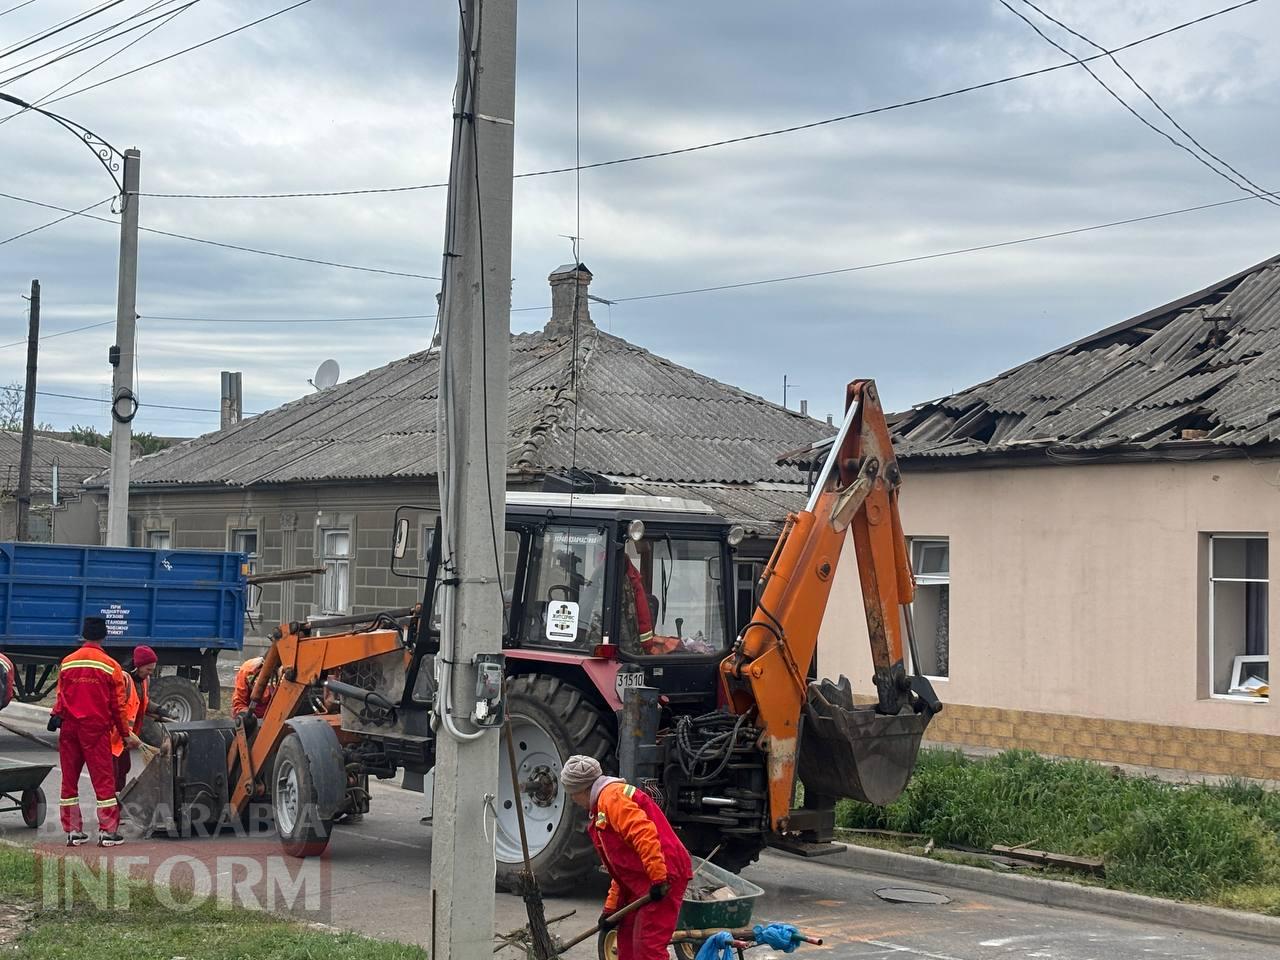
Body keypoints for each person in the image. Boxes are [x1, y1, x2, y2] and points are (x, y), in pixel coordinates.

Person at [561, 755, 692, 960]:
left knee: (647, 945)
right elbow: (621, 869)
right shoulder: (601, 807)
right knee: (627, 939)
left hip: (665, 873)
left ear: (581, 790)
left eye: (572, 794)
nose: (572, 800)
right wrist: (611, 909)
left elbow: (644, 834)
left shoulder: (612, 799)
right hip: (645, 878)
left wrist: (659, 878)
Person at [50, 616, 139, 847]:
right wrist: (125, 734)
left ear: (83, 635)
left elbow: (61, 697)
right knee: (104, 782)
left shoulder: (67, 662)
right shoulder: (110, 666)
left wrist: (56, 715)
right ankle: (107, 832)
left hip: (69, 728)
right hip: (96, 730)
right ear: (104, 636)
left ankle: (73, 831)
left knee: (69, 781)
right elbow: (117, 706)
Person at [110, 645, 165, 793]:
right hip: (115, 736)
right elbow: (116, 708)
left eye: (152, 670)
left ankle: (118, 798)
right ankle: (111, 801)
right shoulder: (123, 678)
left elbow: (143, 702)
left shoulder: (144, 680)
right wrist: (126, 734)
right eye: (148, 669)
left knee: (123, 768)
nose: (150, 673)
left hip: (126, 737)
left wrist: (159, 710)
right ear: (138, 666)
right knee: (113, 772)